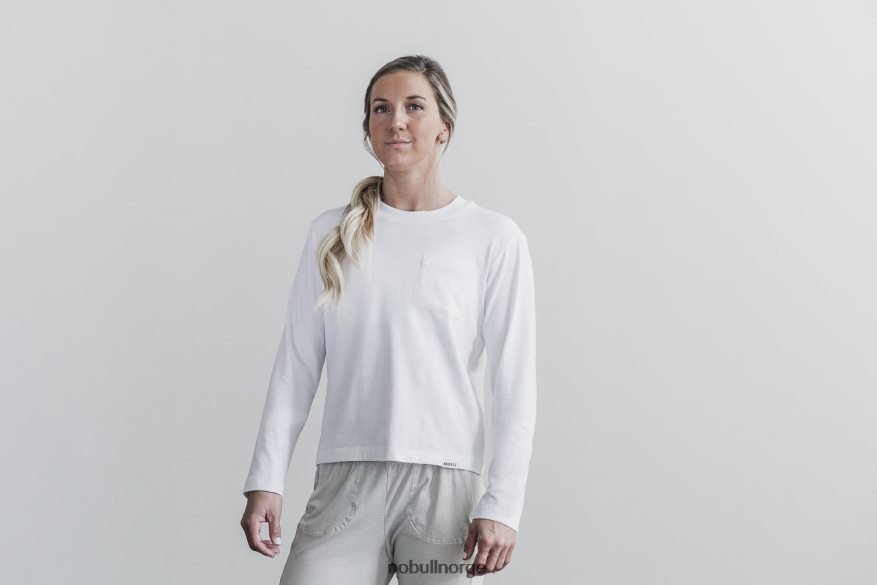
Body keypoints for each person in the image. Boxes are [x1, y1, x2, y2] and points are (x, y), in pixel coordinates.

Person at [239, 54, 538, 584]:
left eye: (413, 107)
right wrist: (266, 477)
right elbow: (296, 367)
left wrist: (503, 504)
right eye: (381, 109)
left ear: (444, 126)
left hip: (444, 493)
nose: (396, 121)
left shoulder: (492, 237)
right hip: (345, 481)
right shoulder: (331, 234)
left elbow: (515, 382)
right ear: (368, 129)